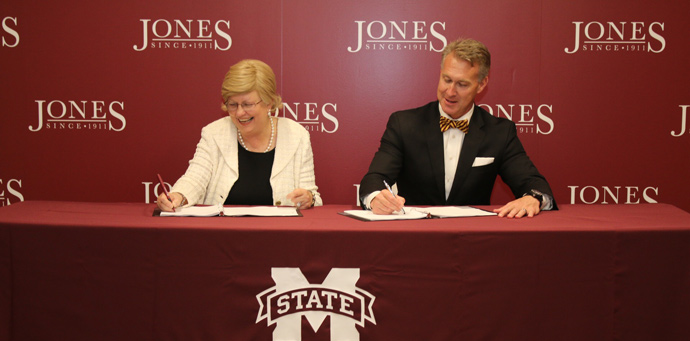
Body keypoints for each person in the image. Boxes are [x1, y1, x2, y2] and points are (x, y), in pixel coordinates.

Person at [359, 38, 556, 218]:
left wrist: (532, 198)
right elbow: (374, 179)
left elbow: (535, 184)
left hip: (474, 242)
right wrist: (376, 198)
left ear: (481, 84)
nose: (450, 92)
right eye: (446, 79)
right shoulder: (404, 124)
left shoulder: (500, 132)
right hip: (415, 238)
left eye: (462, 84)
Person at [157, 59, 322, 211]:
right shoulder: (214, 133)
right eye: (233, 104)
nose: (240, 113)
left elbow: (312, 195)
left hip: (279, 236)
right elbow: (195, 179)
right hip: (222, 236)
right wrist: (178, 196)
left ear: (269, 102)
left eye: (247, 104)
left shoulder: (297, 136)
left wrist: (308, 198)